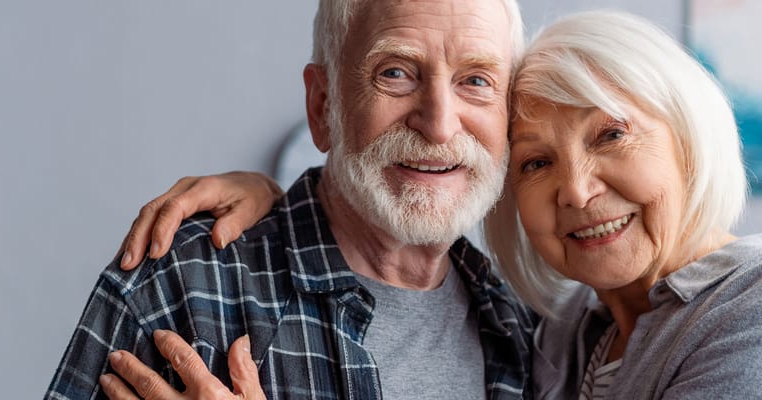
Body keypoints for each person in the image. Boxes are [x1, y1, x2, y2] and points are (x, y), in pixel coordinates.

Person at [109, 10, 762, 400]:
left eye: (613, 134)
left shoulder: (747, 313)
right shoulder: (557, 334)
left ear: (688, 131)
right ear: (324, 105)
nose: (577, 190)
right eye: (536, 161)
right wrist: (279, 202)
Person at [46, 0, 537, 399]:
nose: (439, 124)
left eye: (476, 81)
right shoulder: (177, 283)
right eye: (395, 73)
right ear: (323, 107)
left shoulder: (524, 329)